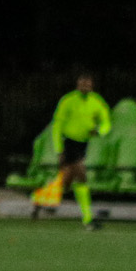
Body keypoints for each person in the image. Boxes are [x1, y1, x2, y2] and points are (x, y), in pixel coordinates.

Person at [36, 71, 111, 228]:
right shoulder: (68, 101)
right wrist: (59, 149)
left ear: (92, 85)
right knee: (82, 175)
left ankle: (40, 200)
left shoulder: (96, 102)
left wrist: (99, 131)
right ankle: (88, 219)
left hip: (83, 144)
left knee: (67, 181)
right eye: (82, 83)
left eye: (88, 83)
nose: (85, 86)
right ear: (78, 85)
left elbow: (106, 122)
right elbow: (57, 125)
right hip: (69, 142)